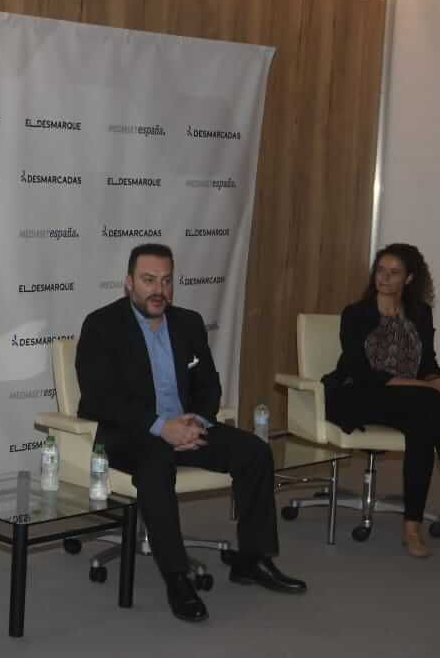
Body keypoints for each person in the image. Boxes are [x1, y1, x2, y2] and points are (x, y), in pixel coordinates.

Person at [75, 243, 306, 622]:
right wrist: (161, 427)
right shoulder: (101, 325)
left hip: (186, 426)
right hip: (129, 433)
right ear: (128, 283)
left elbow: (209, 387)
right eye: (149, 280)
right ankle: (177, 578)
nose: (158, 290)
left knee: (254, 452)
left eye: (166, 281)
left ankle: (252, 559)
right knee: (156, 461)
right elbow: (101, 399)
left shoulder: (188, 323)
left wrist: (195, 420)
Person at [324, 244, 440, 558]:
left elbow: (428, 364)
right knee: (429, 405)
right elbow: (361, 371)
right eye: (380, 270)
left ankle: (412, 528)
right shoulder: (356, 313)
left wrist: (437, 379)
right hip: (358, 395)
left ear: (409, 279)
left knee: (424, 422)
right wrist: (421, 386)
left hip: (407, 400)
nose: (383, 278)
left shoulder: (419, 314)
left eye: (393, 272)